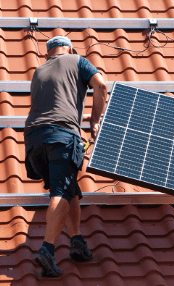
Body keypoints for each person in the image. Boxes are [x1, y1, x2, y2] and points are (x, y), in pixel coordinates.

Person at [24, 36, 107, 277]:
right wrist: (94, 121)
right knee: (60, 191)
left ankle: (77, 241)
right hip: (61, 135)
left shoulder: (39, 70)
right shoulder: (78, 60)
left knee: (69, 187)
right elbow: (101, 85)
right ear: (69, 48)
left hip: (33, 140)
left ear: (48, 53)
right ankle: (47, 250)